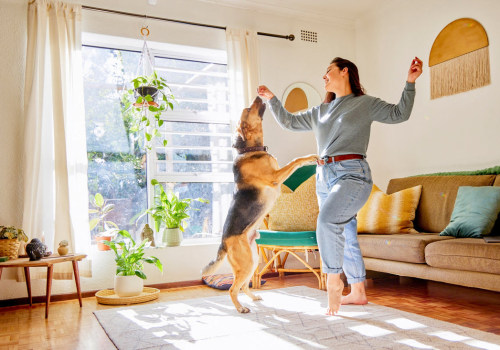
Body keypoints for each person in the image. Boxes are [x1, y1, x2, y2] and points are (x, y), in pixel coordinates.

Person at [257, 56, 423, 315]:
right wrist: (272, 99)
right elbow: (289, 121)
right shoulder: (320, 111)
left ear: (345, 72)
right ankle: (358, 292)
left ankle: (334, 279)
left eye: (328, 71)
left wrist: (410, 82)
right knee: (344, 233)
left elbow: (399, 114)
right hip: (323, 177)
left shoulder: (364, 104)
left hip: (352, 175)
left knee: (326, 222)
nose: (324, 77)